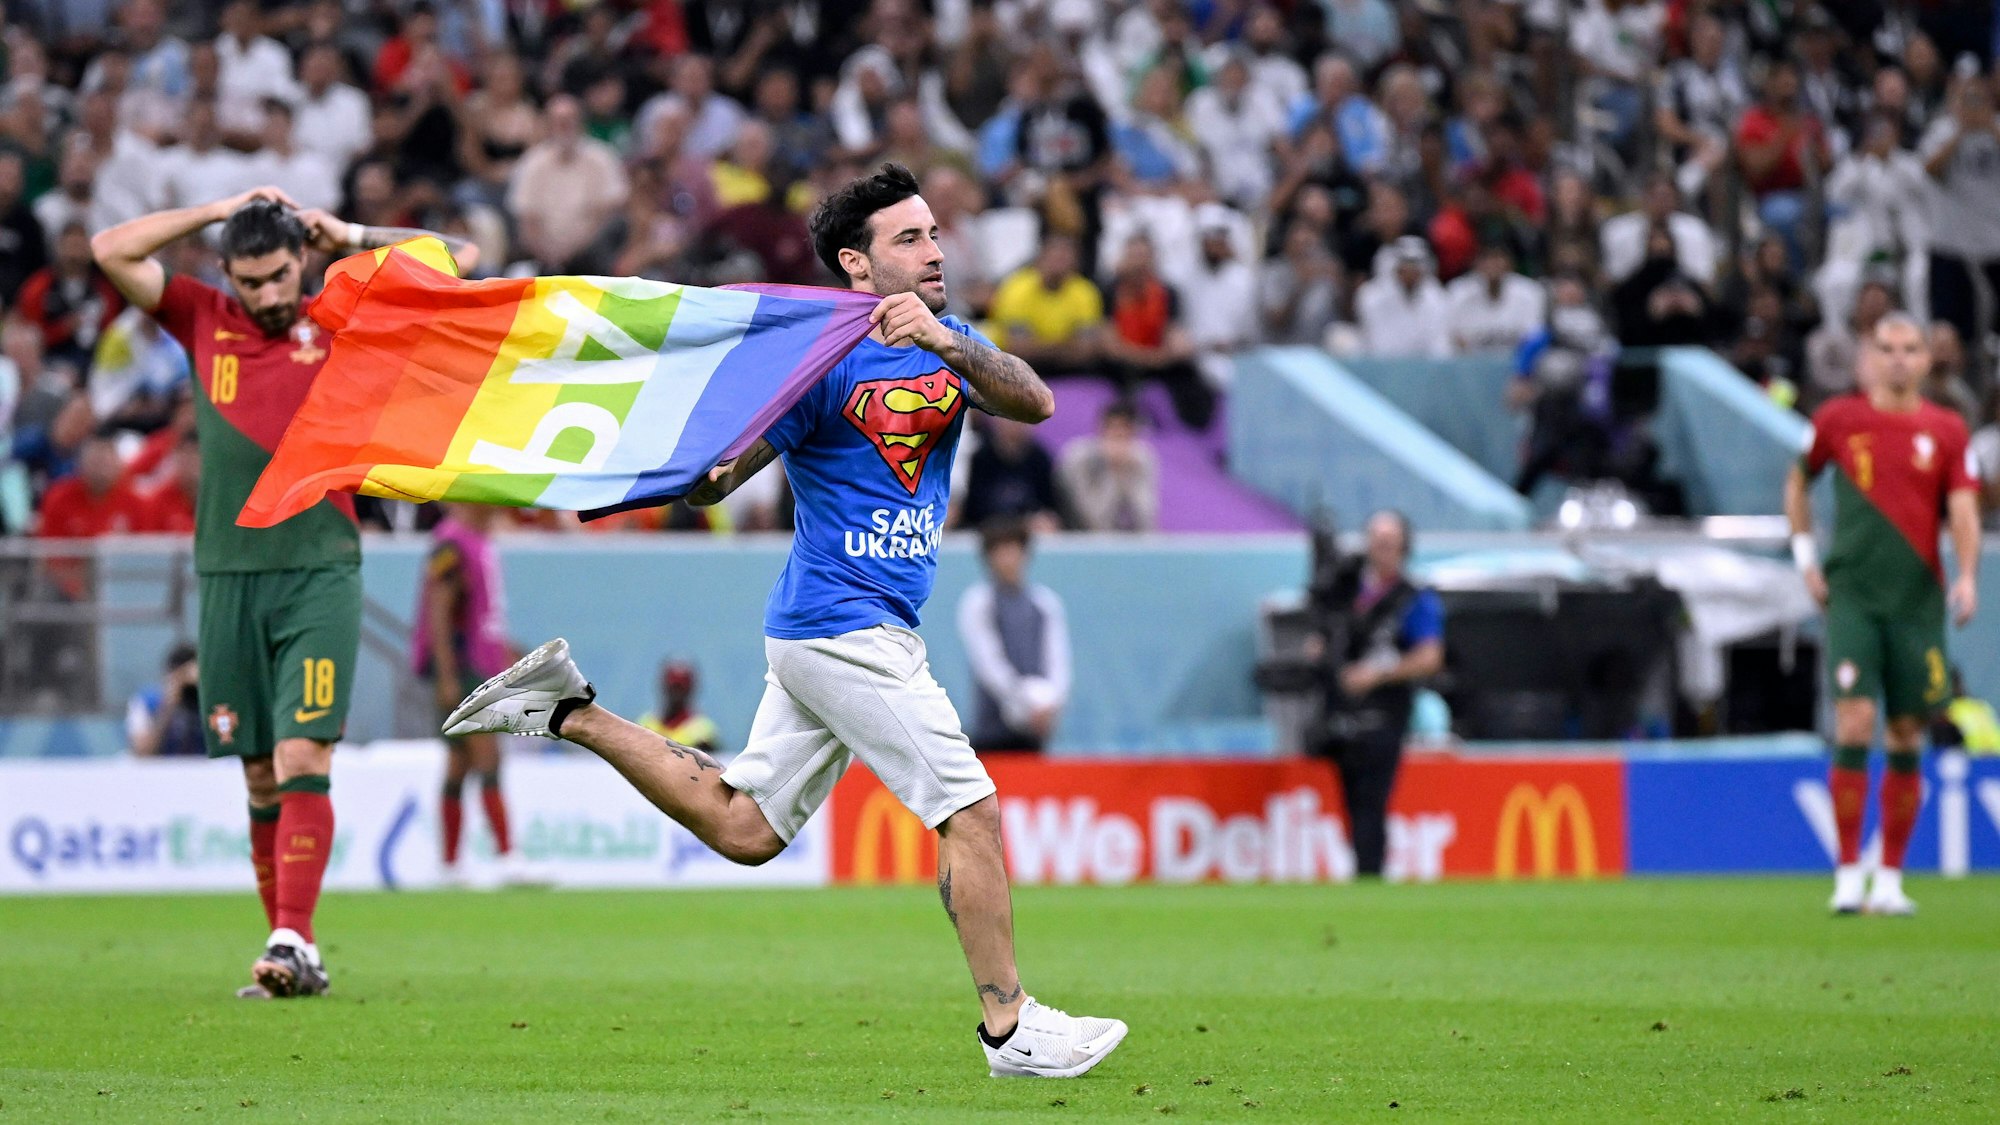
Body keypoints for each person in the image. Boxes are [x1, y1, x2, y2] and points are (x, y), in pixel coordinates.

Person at [445, 163, 1127, 1078]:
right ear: (856, 263)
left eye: (933, 234)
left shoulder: (948, 340)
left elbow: (1034, 401)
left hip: (853, 623)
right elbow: (729, 469)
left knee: (746, 827)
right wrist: (676, 466)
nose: (934, 252)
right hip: (839, 623)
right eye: (910, 239)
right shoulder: (818, 359)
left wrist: (945, 344)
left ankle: (567, 708)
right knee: (971, 809)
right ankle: (1010, 1026)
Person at [91, 186, 476, 997]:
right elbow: (111, 250)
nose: (265, 295)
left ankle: (291, 935)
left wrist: (352, 235)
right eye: (248, 281)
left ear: (301, 259)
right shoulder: (202, 316)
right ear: (227, 273)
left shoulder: (344, 312)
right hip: (227, 576)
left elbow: (459, 258)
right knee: (260, 774)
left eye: (276, 276)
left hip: (319, 570)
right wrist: (217, 207)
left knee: (304, 752)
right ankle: (292, 953)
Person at [1785, 313, 1981, 917]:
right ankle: (1848, 873)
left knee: (1905, 732)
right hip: (1853, 595)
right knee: (1853, 720)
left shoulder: (1948, 430)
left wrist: (1969, 575)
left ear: (1927, 359)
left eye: (1910, 349)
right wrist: (1805, 558)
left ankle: (1890, 878)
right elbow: (1797, 483)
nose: (1899, 359)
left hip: (1918, 600)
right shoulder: (1838, 420)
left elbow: (1964, 507)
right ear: (1867, 356)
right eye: (1887, 348)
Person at [1302, 511, 1443, 879]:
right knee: (1350, 802)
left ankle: (1370, 874)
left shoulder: (1413, 598)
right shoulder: (1346, 590)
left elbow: (1430, 656)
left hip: (1385, 712)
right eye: (1375, 541)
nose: (1380, 550)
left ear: (1404, 548)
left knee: (1372, 801)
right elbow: (1322, 624)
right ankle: (1362, 871)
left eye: (1389, 543)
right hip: (1340, 710)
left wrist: (1378, 674)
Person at [412, 502, 526, 887]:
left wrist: (506, 650)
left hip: (477, 665)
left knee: (459, 764)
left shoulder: (477, 541)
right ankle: (507, 856)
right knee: (488, 757)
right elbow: (440, 611)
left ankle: (448, 864)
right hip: (464, 669)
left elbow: (482, 614)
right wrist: (447, 675)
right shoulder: (452, 543)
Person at [957, 520, 1072, 752]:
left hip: (1037, 727)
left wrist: (1048, 704)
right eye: (1000, 551)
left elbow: (1058, 661)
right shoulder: (978, 602)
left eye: (1014, 550)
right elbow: (988, 663)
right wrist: (1025, 701)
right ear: (989, 558)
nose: (1008, 559)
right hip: (991, 729)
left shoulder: (1045, 603)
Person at [1057, 399, 1158, 532]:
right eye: (1114, 428)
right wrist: (1114, 471)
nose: (1118, 436)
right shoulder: (1078, 458)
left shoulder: (1142, 458)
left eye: (1125, 430)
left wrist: (1124, 474)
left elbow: (1147, 521)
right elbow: (1092, 523)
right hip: (1076, 538)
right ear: (1101, 428)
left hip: (1125, 542)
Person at [128, 642, 205, 757]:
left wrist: (207, 694)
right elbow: (142, 752)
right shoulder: (147, 701)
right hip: (160, 771)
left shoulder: (209, 701)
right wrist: (168, 705)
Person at [638, 660, 720, 755]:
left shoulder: (704, 732)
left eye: (681, 688)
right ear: (663, 687)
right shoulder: (645, 724)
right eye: (673, 687)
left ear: (691, 690)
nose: (676, 694)